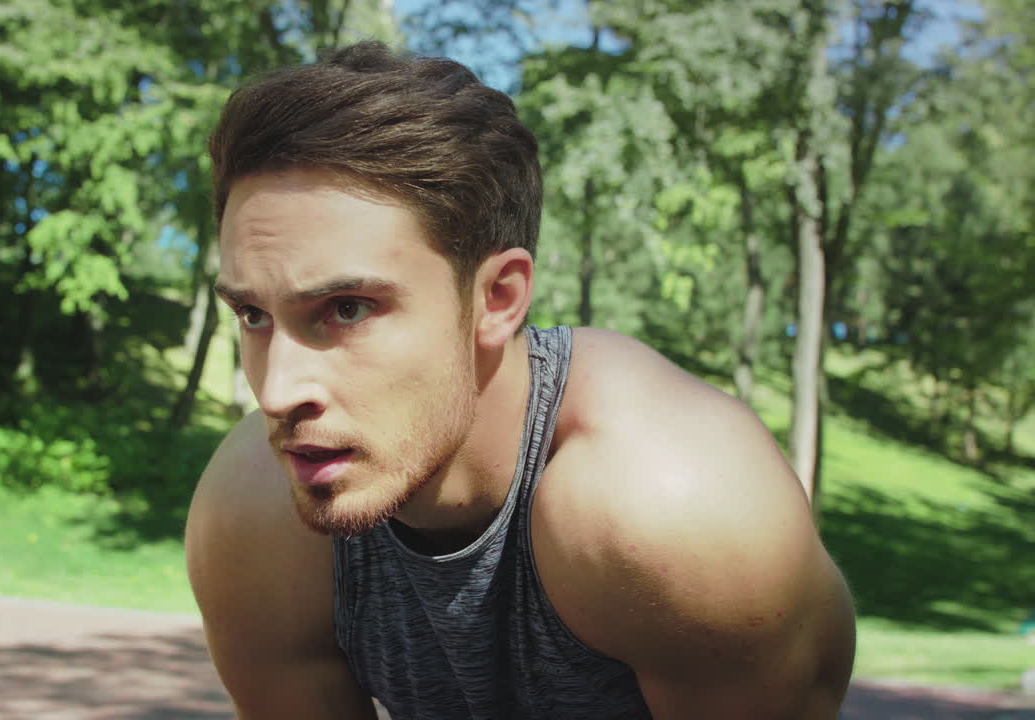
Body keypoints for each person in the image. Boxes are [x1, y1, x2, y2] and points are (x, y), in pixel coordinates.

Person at [184, 41, 856, 719]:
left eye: (347, 309)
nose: (276, 393)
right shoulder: (254, 514)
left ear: (498, 300)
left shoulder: (672, 512)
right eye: (253, 314)